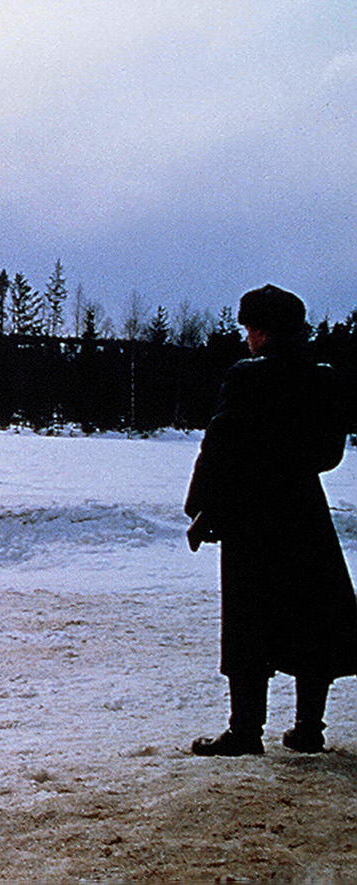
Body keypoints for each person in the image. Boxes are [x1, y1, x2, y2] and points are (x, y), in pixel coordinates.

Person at [185, 284, 357, 756]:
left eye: (249, 329)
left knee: (248, 621)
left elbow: (219, 446)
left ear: (261, 330)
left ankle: (245, 732)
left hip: (252, 515)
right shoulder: (325, 377)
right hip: (304, 510)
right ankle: (309, 729)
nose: (246, 339)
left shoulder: (246, 376)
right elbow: (329, 455)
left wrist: (201, 507)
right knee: (313, 617)